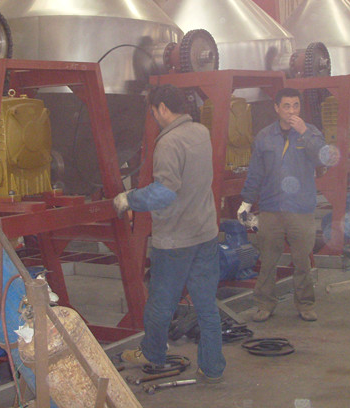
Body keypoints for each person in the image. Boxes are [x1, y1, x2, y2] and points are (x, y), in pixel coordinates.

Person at [113, 84, 226, 384]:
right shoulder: (201, 132)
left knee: (161, 303)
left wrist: (129, 199)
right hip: (205, 233)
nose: (154, 117)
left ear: (162, 108)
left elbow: (164, 192)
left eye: (153, 111)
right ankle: (213, 367)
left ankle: (152, 354)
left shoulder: (169, 142)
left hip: (175, 240)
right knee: (206, 305)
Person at [238, 87, 327, 323]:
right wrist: (246, 202)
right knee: (267, 260)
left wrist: (304, 132)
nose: (291, 111)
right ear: (276, 108)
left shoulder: (311, 133)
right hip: (271, 209)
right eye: (286, 106)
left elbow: (323, 157)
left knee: (302, 261)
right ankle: (264, 304)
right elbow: (255, 172)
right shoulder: (264, 137)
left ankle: (305, 305)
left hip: (301, 209)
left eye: (295, 105)